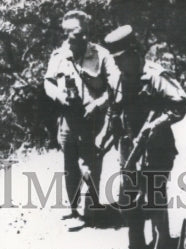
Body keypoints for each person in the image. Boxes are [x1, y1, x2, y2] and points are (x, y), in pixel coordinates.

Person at [103, 25, 186, 249]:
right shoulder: (118, 79)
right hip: (129, 148)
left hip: (156, 148)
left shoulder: (156, 76)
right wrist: (109, 131)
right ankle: (137, 248)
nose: (118, 64)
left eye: (121, 59)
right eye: (115, 60)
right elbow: (114, 107)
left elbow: (180, 105)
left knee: (154, 198)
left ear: (133, 53)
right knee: (127, 199)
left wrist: (155, 124)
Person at [44, 10, 120, 222]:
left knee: (91, 163)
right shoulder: (58, 56)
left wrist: (99, 103)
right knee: (69, 165)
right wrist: (59, 96)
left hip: (93, 118)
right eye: (72, 33)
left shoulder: (101, 54)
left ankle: (92, 207)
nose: (76, 37)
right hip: (68, 118)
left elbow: (116, 85)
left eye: (80, 32)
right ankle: (73, 208)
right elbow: (48, 82)